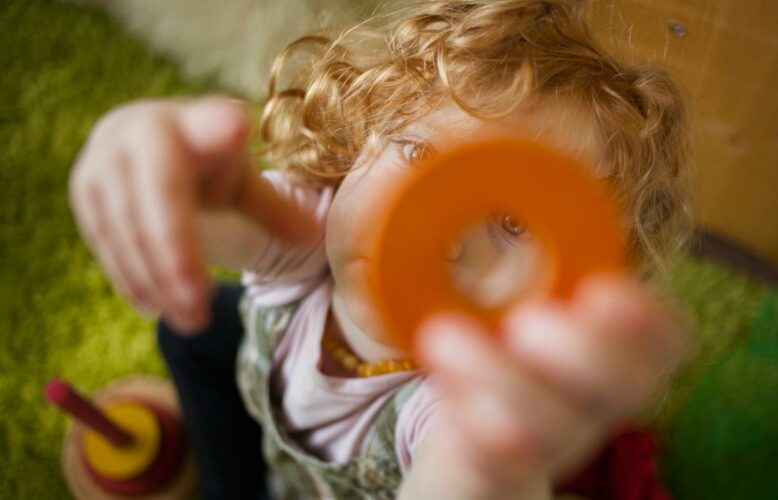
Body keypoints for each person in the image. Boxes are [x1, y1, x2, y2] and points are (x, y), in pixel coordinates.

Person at [68, 1, 692, 498]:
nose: (442, 234)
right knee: (187, 332)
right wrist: (159, 167)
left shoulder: (447, 406)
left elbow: (459, 476)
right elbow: (210, 216)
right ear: (364, 141)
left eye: (509, 220)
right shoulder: (304, 229)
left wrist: (491, 459)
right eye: (420, 157)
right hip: (268, 403)